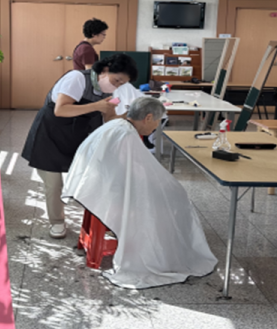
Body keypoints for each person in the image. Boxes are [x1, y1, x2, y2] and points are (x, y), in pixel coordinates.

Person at [62, 96, 217, 288]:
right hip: (106, 190)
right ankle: (161, 249)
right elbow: (137, 173)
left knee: (168, 192)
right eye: (157, 122)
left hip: (95, 185)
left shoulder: (117, 125)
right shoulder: (126, 135)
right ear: (148, 117)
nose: (156, 127)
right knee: (175, 197)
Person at [22, 54, 138, 239]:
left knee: (97, 176)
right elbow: (61, 109)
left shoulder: (108, 92)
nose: (116, 86)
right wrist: (96, 106)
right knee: (54, 184)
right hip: (51, 132)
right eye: (116, 80)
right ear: (105, 70)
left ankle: (101, 220)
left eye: (121, 84)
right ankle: (57, 221)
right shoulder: (77, 78)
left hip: (78, 135)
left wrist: (130, 116)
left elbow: (109, 119)